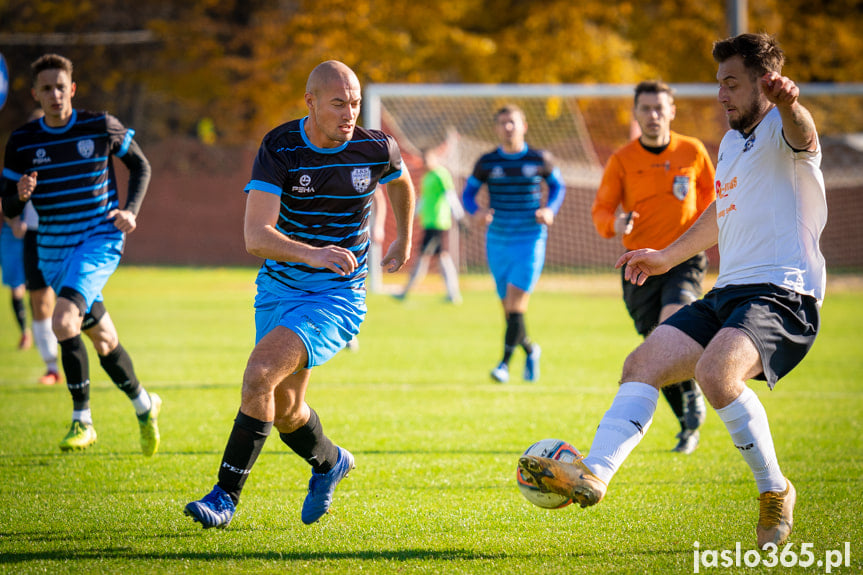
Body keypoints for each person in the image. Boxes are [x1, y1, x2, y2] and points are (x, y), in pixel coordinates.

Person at [518, 33, 826, 550]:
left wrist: (791, 103)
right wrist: (664, 255)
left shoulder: (782, 126)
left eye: (732, 83)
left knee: (714, 374)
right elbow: (719, 214)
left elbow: (805, 131)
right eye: (718, 83)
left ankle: (775, 490)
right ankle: (595, 472)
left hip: (782, 293)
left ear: (762, 84)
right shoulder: (730, 144)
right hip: (729, 289)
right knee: (641, 363)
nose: (722, 95)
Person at [184, 60, 415, 529]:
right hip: (279, 287)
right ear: (310, 103)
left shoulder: (375, 148)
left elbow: (403, 181)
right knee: (287, 410)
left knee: (259, 374)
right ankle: (330, 462)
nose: (349, 113)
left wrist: (403, 238)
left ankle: (224, 498)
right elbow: (255, 236)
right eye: (338, 103)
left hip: (336, 296)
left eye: (354, 103)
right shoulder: (281, 146)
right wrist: (313, 253)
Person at [0, 54, 161, 454]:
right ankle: (145, 405)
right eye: (46, 88)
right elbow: (9, 206)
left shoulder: (100, 125)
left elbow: (140, 166)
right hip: (53, 250)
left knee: (63, 319)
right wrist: (18, 198)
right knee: (103, 339)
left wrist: (130, 211)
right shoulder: (22, 142)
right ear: (35, 93)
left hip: (99, 239)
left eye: (61, 87)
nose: (54, 94)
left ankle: (82, 421)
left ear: (72, 89)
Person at [591, 80, 715, 454]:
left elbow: (716, 199)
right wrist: (618, 224)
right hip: (638, 267)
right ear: (635, 113)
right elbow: (600, 213)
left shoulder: (692, 152)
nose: (653, 115)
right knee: (656, 348)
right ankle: (688, 419)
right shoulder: (622, 159)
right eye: (645, 108)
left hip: (683, 260)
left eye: (660, 107)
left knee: (670, 329)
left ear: (672, 111)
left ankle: (691, 415)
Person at [462, 104, 565, 384]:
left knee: (517, 302)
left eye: (513, 123)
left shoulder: (539, 158)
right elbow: (468, 194)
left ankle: (503, 364)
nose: (508, 128)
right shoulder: (486, 162)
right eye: (503, 123)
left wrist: (550, 209)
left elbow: (558, 187)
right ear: (496, 128)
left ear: (524, 126)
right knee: (508, 307)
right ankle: (531, 349)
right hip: (497, 240)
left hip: (529, 240)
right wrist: (477, 212)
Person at [397, 146, 463, 304]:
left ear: (434, 159)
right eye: (423, 160)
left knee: (423, 257)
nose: (425, 163)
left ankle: (406, 291)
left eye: (427, 159)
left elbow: (450, 195)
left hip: (438, 222)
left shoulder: (441, 174)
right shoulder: (426, 178)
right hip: (429, 223)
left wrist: (460, 217)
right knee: (441, 257)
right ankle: (453, 294)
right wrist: (411, 217)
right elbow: (423, 200)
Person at [0, 215, 30, 349]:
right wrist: (13, 221)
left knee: (41, 288)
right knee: (17, 287)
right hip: (10, 234)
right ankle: (25, 332)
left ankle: (41, 328)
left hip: (36, 231)